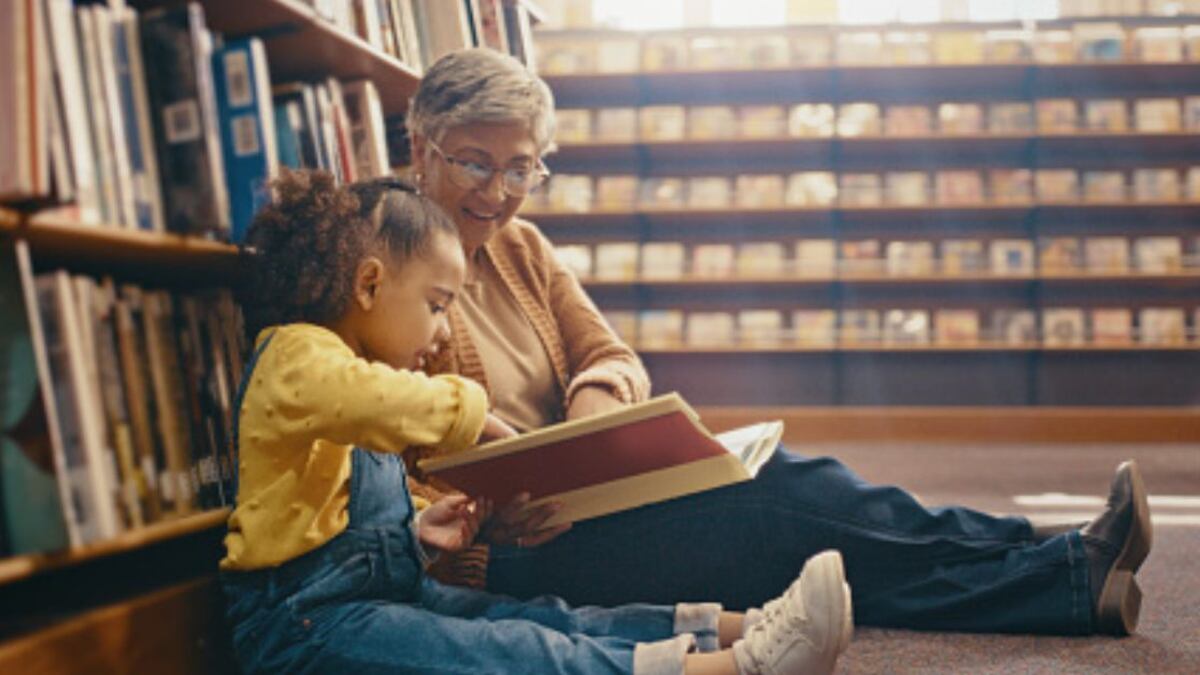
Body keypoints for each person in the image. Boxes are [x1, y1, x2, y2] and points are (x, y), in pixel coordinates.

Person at [403, 47, 1154, 637]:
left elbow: (610, 356)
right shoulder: (386, 263)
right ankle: (1047, 561)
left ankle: (1053, 566)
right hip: (510, 554)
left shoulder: (522, 246)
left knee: (781, 492)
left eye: (521, 168)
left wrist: (585, 429)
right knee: (776, 506)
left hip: (597, 501)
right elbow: (381, 449)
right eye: (475, 162)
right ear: (420, 145)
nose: (497, 191)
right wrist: (486, 520)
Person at [219, 169, 855, 675]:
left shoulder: (354, 370)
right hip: (302, 628)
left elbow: (335, 508)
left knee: (534, 620)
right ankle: (735, 669)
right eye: (437, 307)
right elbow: (384, 403)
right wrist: (481, 420)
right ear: (367, 285)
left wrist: (417, 526)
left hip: (375, 597)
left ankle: (734, 626)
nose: (442, 335)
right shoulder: (298, 356)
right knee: (508, 655)